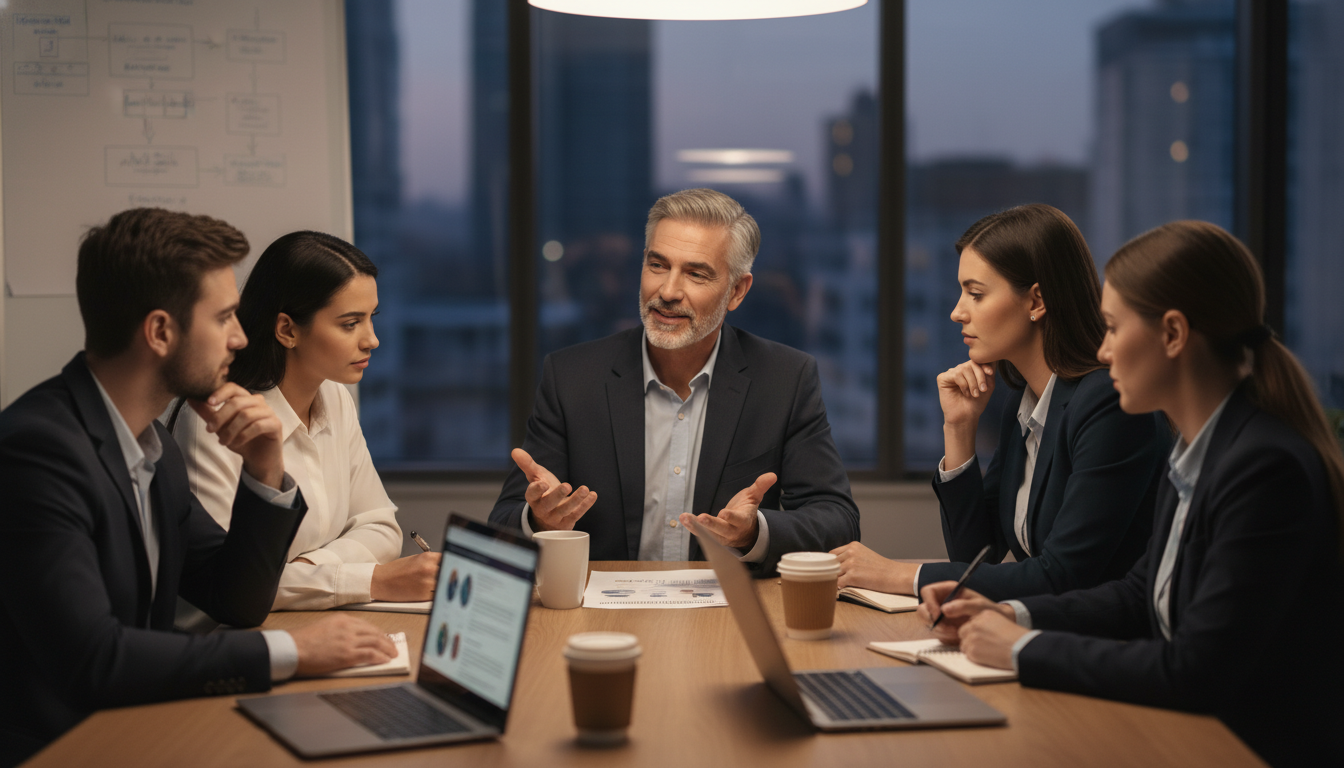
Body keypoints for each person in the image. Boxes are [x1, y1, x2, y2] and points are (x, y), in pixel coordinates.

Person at [920, 221, 1344, 767]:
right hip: (1187, 733)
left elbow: (1196, 669)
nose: (1103, 350)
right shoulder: (1197, 449)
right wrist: (1010, 614)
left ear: (1173, 335)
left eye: (1114, 329)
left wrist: (1022, 648)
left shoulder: (1264, 469)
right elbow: (1137, 594)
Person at [0, 209, 397, 765]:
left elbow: (237, 600)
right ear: (161, 332)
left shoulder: (152, 450)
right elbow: (94, 659)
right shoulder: (39, 451)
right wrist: (290, 649)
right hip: (60, 749)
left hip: (140, 726)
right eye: (224, 317)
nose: (241, 337)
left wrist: (264, 471)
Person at [488, 188, 860, 572]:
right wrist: (540, 521)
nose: (667, 291)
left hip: (722, 604)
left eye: (696, 274)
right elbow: (503, 522)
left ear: (736, 291)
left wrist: (754, 532)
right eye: (658, 265)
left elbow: (838, 520)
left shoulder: (785, 379)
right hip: (599, 606)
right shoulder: (571, 378)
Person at [833, 204, 1167, 600]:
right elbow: (976, 555)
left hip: (1108, 634)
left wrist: (899, 574)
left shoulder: (1108, 405)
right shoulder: (1025, 402)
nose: (957, 312)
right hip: (1046, 628)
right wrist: (959, 427)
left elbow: (1064, 577)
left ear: (1036, 301)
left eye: (976, 294)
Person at [172, 231, 439, 610]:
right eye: (350, 323)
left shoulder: (335, 397)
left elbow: (381, 527)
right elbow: (233, 584)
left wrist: (308, 569)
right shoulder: (216, 421)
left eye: (371, 318)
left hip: (316, 617)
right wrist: (371, 579)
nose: (372, 340)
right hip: (233, 633)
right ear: (287, 330)